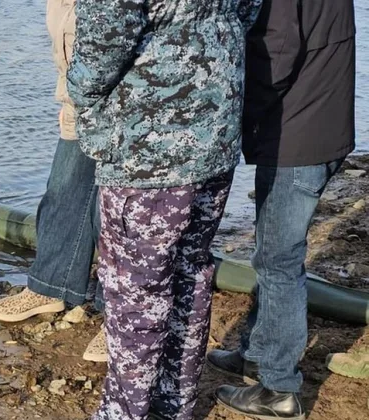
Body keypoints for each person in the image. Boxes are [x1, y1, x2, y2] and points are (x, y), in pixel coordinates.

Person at [66, 0, 263, 419]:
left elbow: (105, 39)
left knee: (136, 288)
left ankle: (126, 411)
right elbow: (247, 10)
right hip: (217, 128)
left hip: (149, 148)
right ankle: (173, 404)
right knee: (189, 270)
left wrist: (79, 90)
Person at [210, 1, 356, 419]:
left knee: (278, 260)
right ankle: (257, 351)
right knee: (273, 253)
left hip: (298, 137)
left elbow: (276, 56)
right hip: (322, 124)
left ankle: (278, 388)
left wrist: (236, 120)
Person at [0, 0, 107, 363]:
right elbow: (68, 38)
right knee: (62, 190)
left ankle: (118, 314)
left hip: (120, 103)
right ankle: (51, 286)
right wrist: (69, 94)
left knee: (117, 211)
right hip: (79, 96)